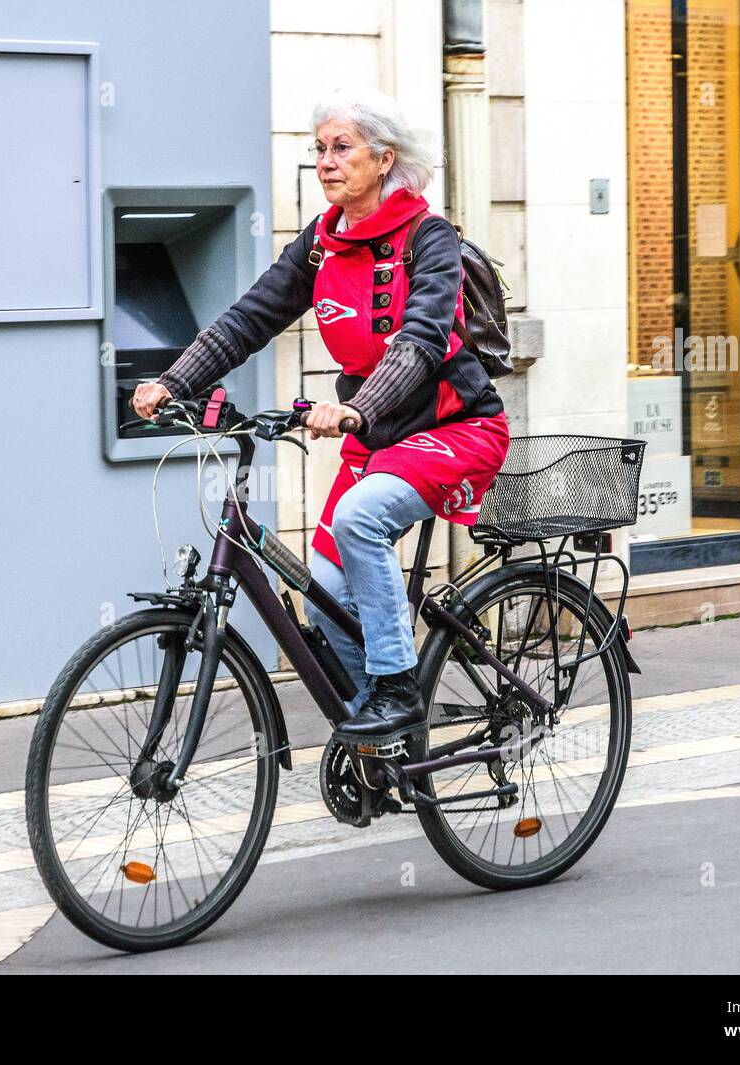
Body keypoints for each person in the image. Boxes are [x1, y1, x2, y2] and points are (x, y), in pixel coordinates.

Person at [132, 87, 509, 740]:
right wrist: (174, 379)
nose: (326, 162)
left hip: (456, 431)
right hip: (381, 442)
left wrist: (357, 409)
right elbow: (250, 319)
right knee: (323, 592)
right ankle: (384, 735)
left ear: (385, 159)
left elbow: (418, 342)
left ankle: (397, 688)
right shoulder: (322, 243)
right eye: (320, 150)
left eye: (342, 147)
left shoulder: (430, 238)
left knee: (360, 518)